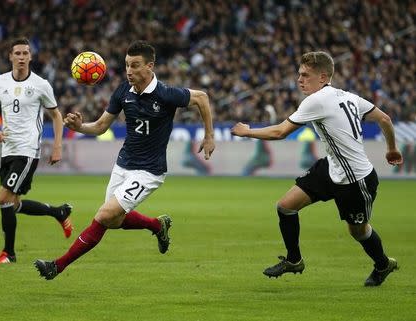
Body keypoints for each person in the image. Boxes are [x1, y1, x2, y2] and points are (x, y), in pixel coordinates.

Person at [34, 40, 215, 280]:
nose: (129, 71)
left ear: (150, 66)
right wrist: (79, 127)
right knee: (114, 220)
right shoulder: (122, 92)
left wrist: (209, 135)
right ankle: (156, 225)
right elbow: (100, 127)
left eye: (135, 65)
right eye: (127, 65)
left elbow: (202, 97)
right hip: (123, 165)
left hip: (149, 171)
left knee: (104, 216)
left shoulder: (166, 94)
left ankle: (57, 265)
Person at [231, 51, 402, 286]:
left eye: (305, 75)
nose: (299, 80)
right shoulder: (349, 96)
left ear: (323, 77)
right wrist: (391, 149)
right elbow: (385, 119)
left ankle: (383, 264)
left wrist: (247, 132)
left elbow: (280, 132)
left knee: (359, 232)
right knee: (285, 207)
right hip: (331, 168)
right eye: (299, 75)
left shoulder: (317, 100)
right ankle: (294, 260)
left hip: (356, 179)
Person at [0, 37, 73, 264]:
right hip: (8, 149)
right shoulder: (0, 82)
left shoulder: (41, 84)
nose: (21, 57)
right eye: (18, 53)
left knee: (3, 198)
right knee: (12, 204)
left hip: (28, 150)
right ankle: (58, 212)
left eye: (25, 53)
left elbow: (56, 116)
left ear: (31, 57)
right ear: (10, 57)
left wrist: (57, 146)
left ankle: (8, 254)